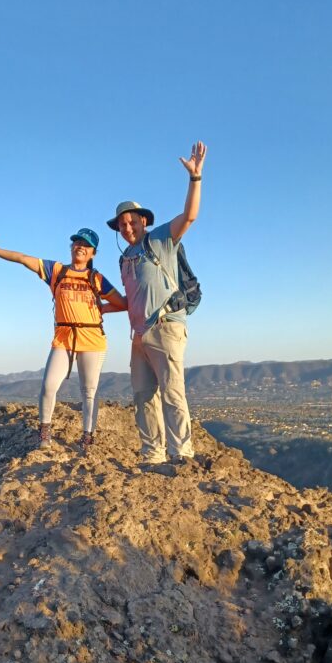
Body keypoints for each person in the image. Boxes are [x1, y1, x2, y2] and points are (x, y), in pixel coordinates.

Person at [0, 228, 127, 452]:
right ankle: (44, 433)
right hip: (63, 338)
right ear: (72, 247)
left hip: (92, 339)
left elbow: (122, 303)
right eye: (77, 242)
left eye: (86, 245)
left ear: (93, 253)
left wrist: (101, 308)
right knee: (49, 385)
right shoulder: (56, 271)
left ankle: (87, 438)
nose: (80, 246)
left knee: (89, 390)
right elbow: (24, 259)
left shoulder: (96, 278)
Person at [107, 140, 207, 470]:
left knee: (172, 392)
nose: (127, 227)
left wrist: (195, 178)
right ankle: (153, 454)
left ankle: (182, 454)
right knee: (143, 396)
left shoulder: (160, 239)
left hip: (166, 327)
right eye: (122, 224)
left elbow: (190, 216)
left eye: (132, 220)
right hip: (139, 335)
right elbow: (132, 300)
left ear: (143, 220)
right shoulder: (125, 258)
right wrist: (102, 308)